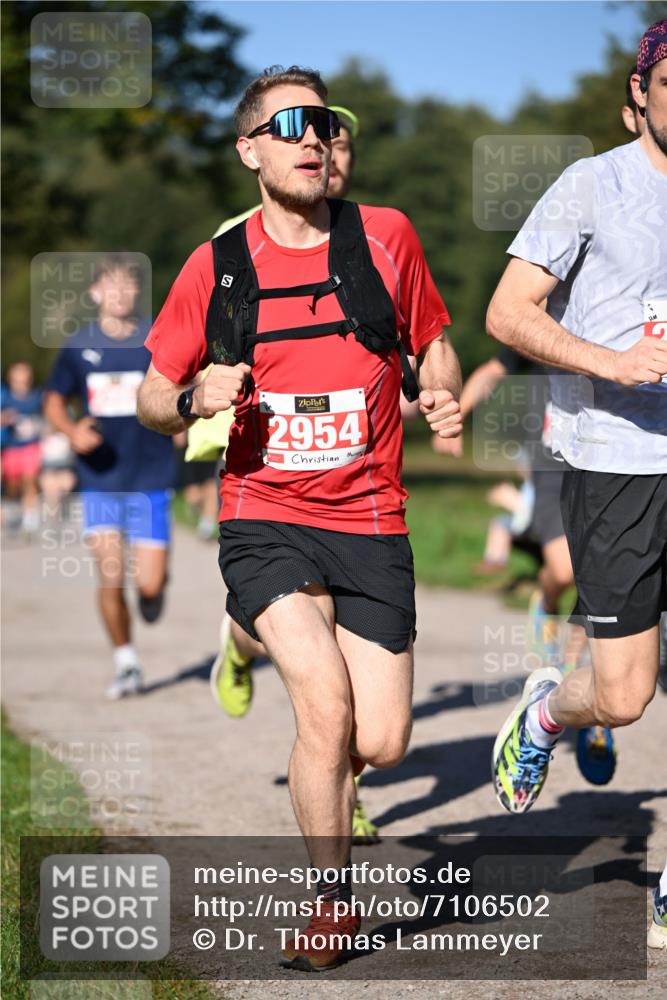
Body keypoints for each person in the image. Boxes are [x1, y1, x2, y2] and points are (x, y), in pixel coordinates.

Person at [138, 66, 462, 971]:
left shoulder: (386, 237)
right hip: (265, 513)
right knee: (324, 707)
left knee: (381, 742)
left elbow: (433, 340)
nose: (311, 138)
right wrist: (192, 396)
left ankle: (241, 639)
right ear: (249, 150)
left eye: (322, 123)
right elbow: (150, 397)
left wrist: (437, 388)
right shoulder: (217, 266)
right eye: (287, 126)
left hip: (370, 517)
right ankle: (331, 903)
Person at [486, 19, 666, 825]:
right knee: (623, 697)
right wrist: (611, 362)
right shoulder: (591, 184)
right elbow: (507, 313)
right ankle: (546, 715)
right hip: (618, 462)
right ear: (639, 91)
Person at [44, 253, 176, 699]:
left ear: (137, 291)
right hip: (100, 479)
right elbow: (54, 400)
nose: (119, 293)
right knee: (111, 575)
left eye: (127, 285)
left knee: (149, 584)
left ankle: (155, 591)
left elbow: (183, 381)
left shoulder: (156, 339)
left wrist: (180, 418)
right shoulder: (78, 346)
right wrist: (71, 431)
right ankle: (126, 663)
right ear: (95, 292)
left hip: (150, 475)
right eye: (110, 285)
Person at [1, 361, 43, 536]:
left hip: (31, 445)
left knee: (30, 479)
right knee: (12, 484)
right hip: (11, 447)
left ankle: (30, 517)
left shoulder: (37, 396)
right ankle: (13, 506)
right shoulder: (5, 397)